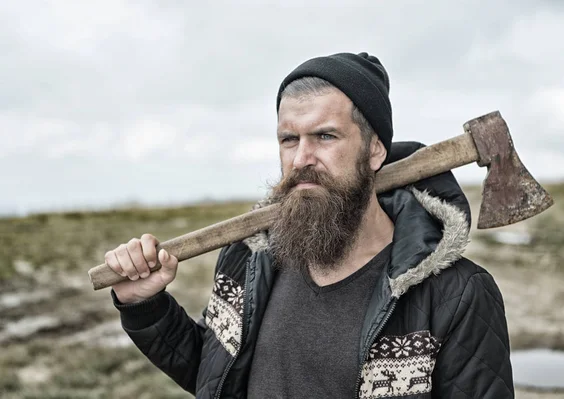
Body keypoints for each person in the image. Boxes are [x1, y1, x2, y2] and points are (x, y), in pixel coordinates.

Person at [106, 52, 514, 398]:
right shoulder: (250, 258)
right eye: (289, 139)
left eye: (325, 136)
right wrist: (146, 307)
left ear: (374, 150)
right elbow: (217, 373)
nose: (301, 158)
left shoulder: (455, 296)